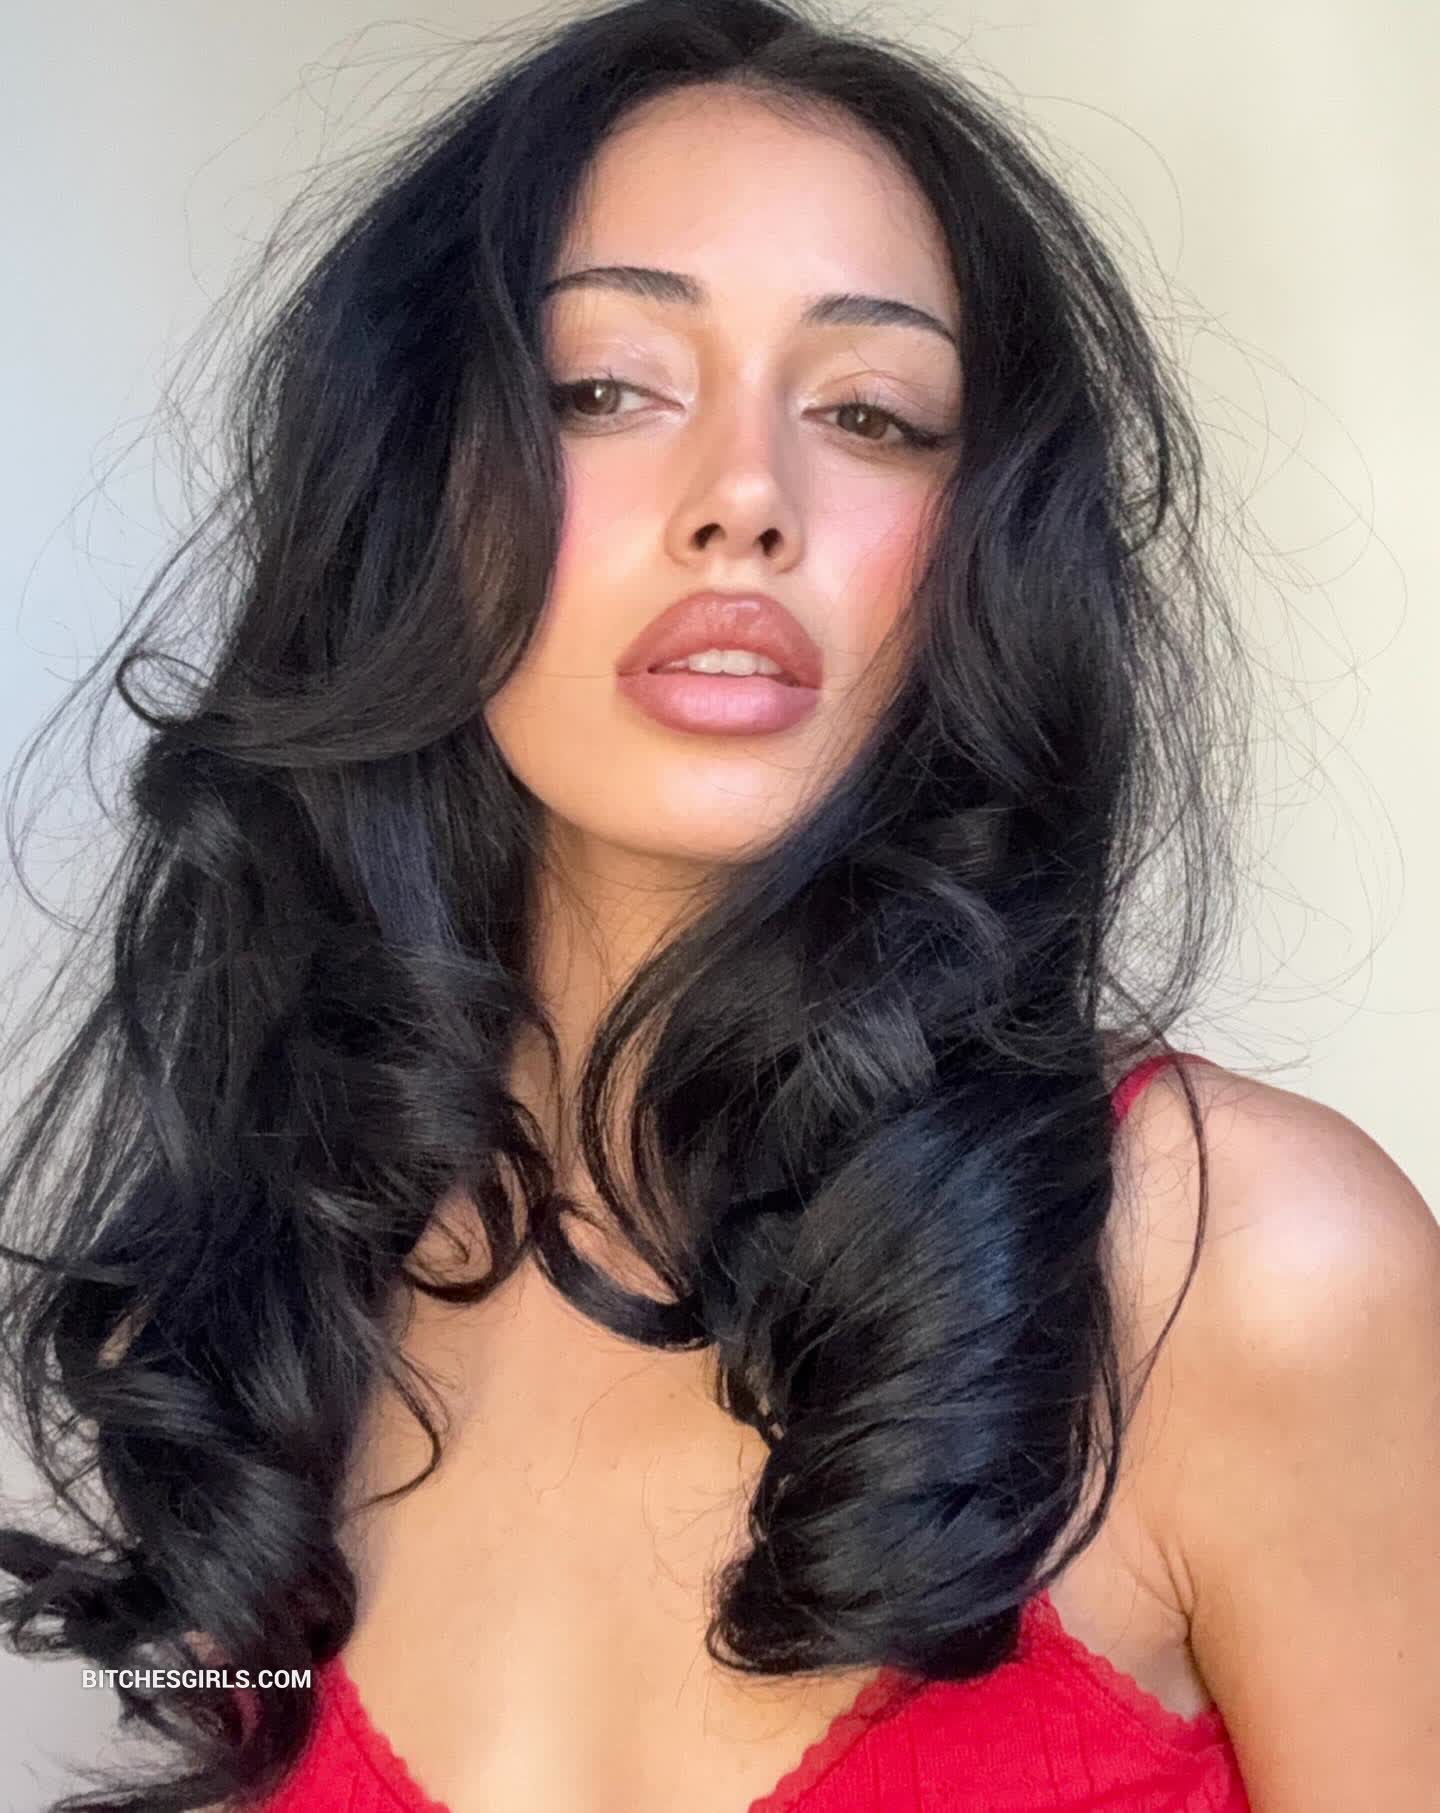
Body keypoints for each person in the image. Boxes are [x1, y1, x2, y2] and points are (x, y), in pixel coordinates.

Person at [1, 2, 1436, 1809]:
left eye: (872, 414)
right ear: (414, 490)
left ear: (977, 549)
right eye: (604, 388)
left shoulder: (1248, 1272)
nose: (747, 498)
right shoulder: (264, 1323)